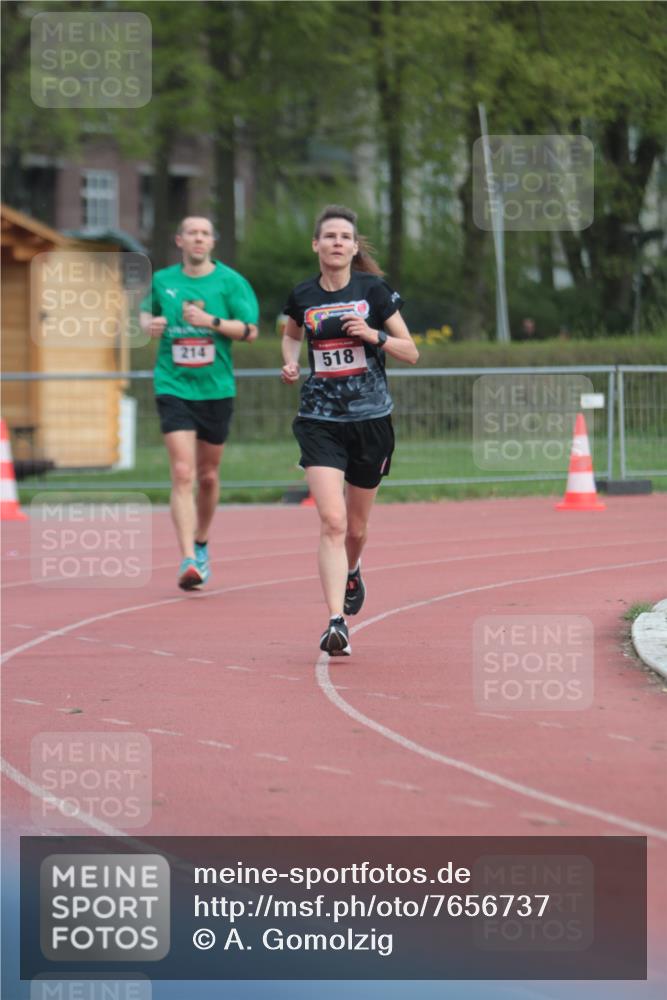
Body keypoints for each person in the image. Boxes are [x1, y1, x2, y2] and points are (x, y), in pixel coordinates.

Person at [281, 205, 419, 656]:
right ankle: (336, 621)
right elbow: (291, 333)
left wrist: (373, 336)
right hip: (320, 420)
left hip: (370, 421)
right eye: (330, 236)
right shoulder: (302, 294)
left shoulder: (374, 291)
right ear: (316, 246)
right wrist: (289, 360)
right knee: (332, 520)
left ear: (354, 247)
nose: (337, 243)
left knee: (356, 527)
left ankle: (354, 569)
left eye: (345, 237)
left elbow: (411, 351)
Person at [140, 216, 259, 590]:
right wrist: (148, 323)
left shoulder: (230, 282)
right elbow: (145, 311)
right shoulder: (162, 280)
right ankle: (188, 557)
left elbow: (250, 331)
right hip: (173, 385)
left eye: (205, 233)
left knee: (208, 476)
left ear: (212, 242)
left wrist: (212, 321)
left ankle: (202, 540)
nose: (198, 238)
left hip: (216, 389)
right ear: (179, 240)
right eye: (191, 232)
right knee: (182, 472)